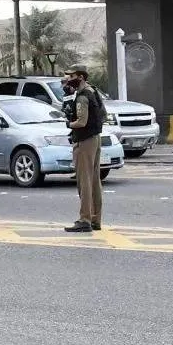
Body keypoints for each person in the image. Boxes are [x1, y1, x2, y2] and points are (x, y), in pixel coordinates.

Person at [62, 66, 106, 233]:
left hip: (85, 141)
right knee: (94, 181)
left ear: (80, 77)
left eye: (71, 76)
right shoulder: (93, 91)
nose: (68, 79)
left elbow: (81, 121)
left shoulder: (82, 96)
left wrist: (69, 124)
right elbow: (103, 114)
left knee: (84, 181)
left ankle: (84, 219)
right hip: (95, 138)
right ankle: (96, 219)